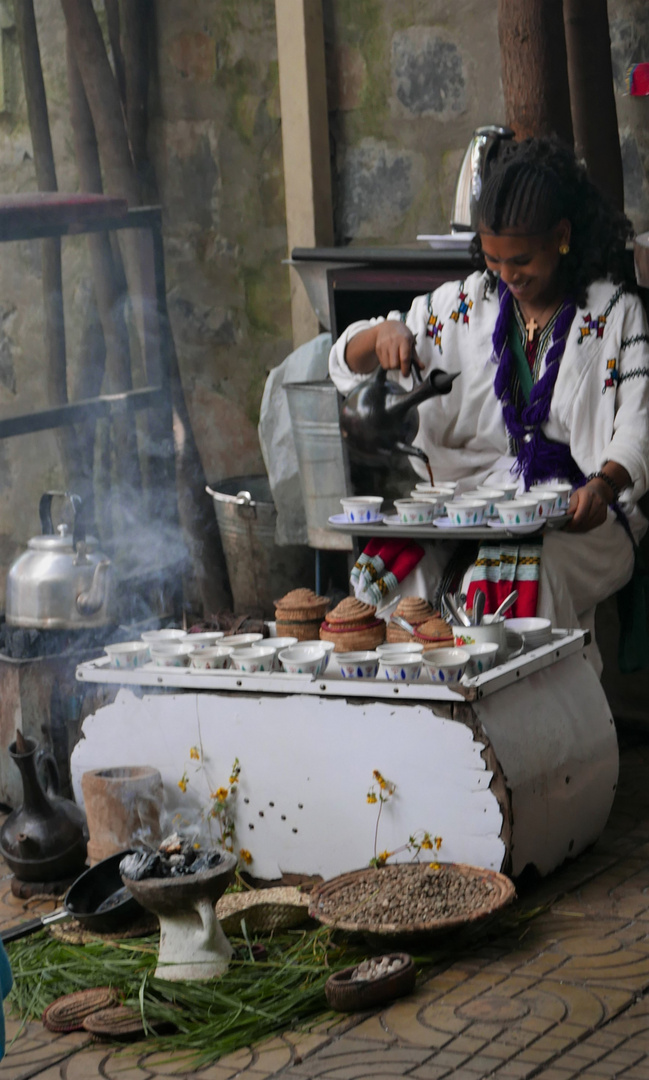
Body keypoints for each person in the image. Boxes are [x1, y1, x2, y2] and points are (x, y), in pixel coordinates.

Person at [329, 138, 649, 673]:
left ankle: (540, 734)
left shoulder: (614, 314)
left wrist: (604, 484)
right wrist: (384, 332)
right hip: (475, 505)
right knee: (387, 575)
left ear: (562, 238)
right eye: (494, 258)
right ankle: (417, 720)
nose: (508, 275)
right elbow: (344, 361)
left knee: (512, 579)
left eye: (522, 260)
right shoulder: (463, 305)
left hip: (586, 515)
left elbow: (638, 427)